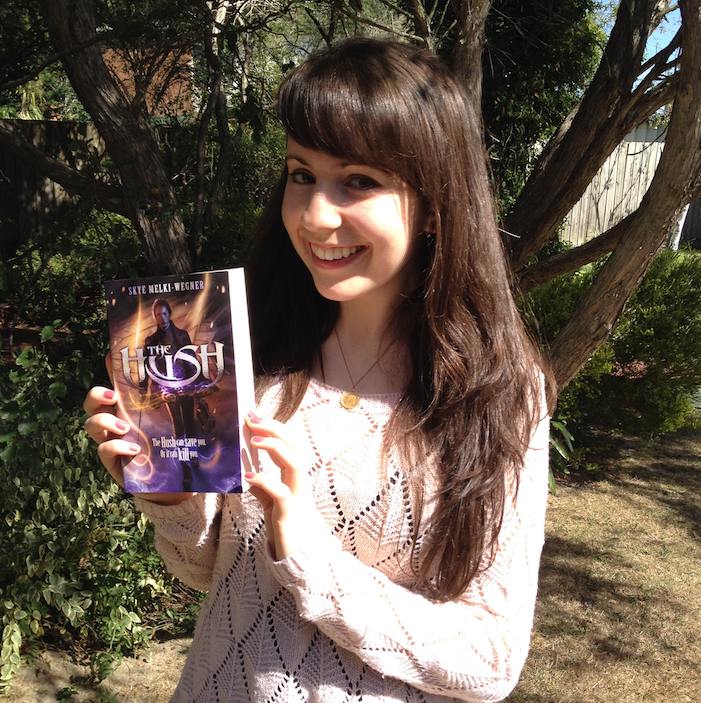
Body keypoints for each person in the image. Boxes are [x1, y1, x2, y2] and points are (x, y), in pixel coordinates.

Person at [83, 38, 556, 703]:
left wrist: (310, 556)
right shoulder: (248, 349)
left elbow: (490, 660)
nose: (313, 215)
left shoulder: (499, 395)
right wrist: (171, 495)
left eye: (358, 180)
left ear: (434, 205)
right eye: (301, 174)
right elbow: (214, 574)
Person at [141, 298, 199, 491]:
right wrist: (143, 390)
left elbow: (191, 361)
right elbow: (145, 368)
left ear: (169, 314)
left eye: (164, 313)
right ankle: (186, 470)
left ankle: (193, 462)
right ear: (155, 317)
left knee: (190, 423)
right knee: (179, 425)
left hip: (185, 386)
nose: (162, 318)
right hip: (167, 388)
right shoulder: (151, 341)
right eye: (158, 315)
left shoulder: (182, 335)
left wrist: (197, 384)